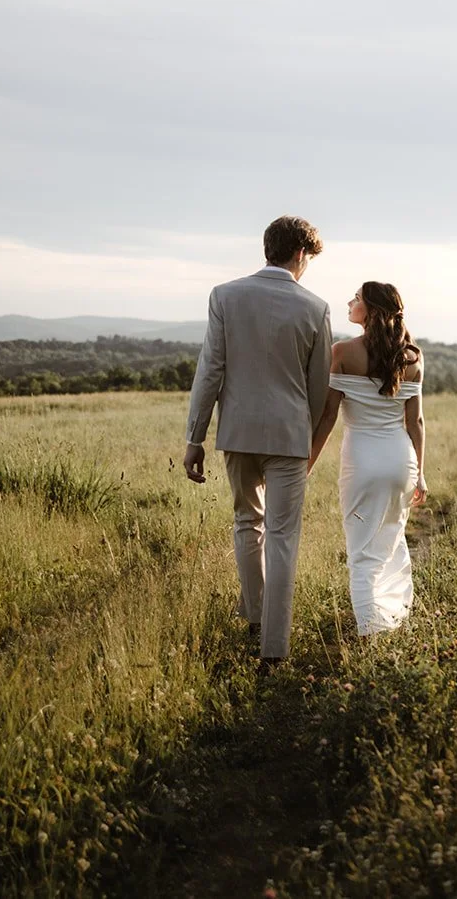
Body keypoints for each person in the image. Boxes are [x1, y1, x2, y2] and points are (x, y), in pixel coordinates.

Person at [183, 216, 333, 666]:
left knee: (247, 522)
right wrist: (302, 434)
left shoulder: (225, 296)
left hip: (238, 432)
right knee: (283, 536)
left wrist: (195, 438)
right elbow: (319, 387)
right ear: (301, 254)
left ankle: (253, 616)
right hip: (289, 436)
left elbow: (210, 370)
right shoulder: (316, 308)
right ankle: (275, 648)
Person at [308, 281, 427, 636]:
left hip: (362, 462)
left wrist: (308, 464)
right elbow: (415, 422)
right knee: (392, 540)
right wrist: (420, 473)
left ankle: (371, 633)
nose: (349, 302)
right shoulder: (413, 357)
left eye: (356, 299)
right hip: (401, 462)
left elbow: (327, 417)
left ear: (371, 310)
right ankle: (393, 619)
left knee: (361, 554)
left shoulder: (342, 352)